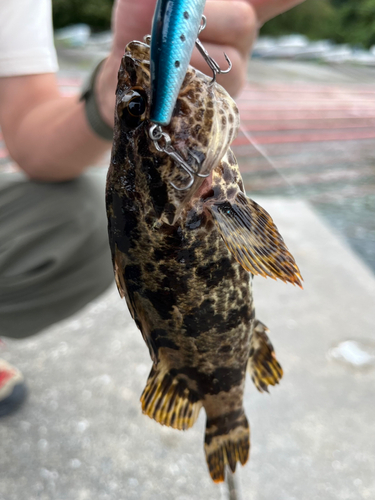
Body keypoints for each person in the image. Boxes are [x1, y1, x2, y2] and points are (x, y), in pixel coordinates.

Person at [0, 0, 303, 416]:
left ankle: (222, 412)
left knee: (80, 218)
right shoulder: (200, 195)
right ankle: (226, 416)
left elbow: (29, 140)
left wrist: (107, 96)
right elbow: (269, 257)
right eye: (136, 109)